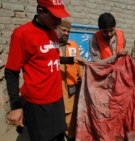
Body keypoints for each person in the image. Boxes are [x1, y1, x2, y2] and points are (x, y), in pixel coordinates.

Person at [4, 0, 84, 140]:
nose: (59, 21)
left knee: (59, 136)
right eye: (55, 16)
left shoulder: (52, 33)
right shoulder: (22, 34)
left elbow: (49, 59)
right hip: (38, 103)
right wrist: (15, 106)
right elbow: (11, 72)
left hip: (57, 99)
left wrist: (73, 60)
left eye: (60, 16)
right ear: (41, 11)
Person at [56, 20, 84, 141]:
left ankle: (71, 137)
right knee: (57, 118)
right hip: (56, 89)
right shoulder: (51, 45)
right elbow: (55, 60)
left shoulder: (73, 44)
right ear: (56, 29)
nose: (66, 33)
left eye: (68, 31)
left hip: (71, 88)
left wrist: (83, 79)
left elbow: (79, 66)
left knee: (71, 118)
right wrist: (72, 60)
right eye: (63, 30)